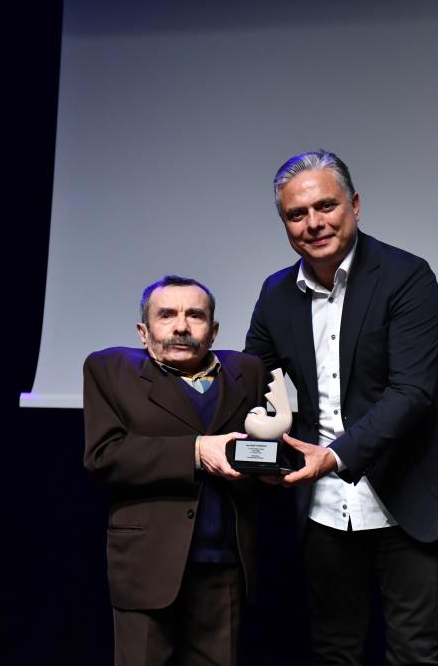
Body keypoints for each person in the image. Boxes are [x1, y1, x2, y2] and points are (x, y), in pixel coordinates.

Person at [245, 149, 438, 666]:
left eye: (325, 206)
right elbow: (253, 380)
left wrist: (333, 456)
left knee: (414, 653)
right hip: (323, 505)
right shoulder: (276, 293)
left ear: (354, 204)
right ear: (284, 223)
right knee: (334, 651)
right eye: (296, 214)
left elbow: (412, 392)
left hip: (409, 494)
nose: (313, 224)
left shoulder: (406, 276)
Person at [83, 275, 267, 666]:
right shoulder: (110, 370)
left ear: (213, 331)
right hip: (147, 565)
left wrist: (271, 469)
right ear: (143, 331)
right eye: (166, 315)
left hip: (224, 564)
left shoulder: (247, 372)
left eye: (195, 316)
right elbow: (103, 455)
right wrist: (196, 451)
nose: (181, 326)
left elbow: (257, 449)